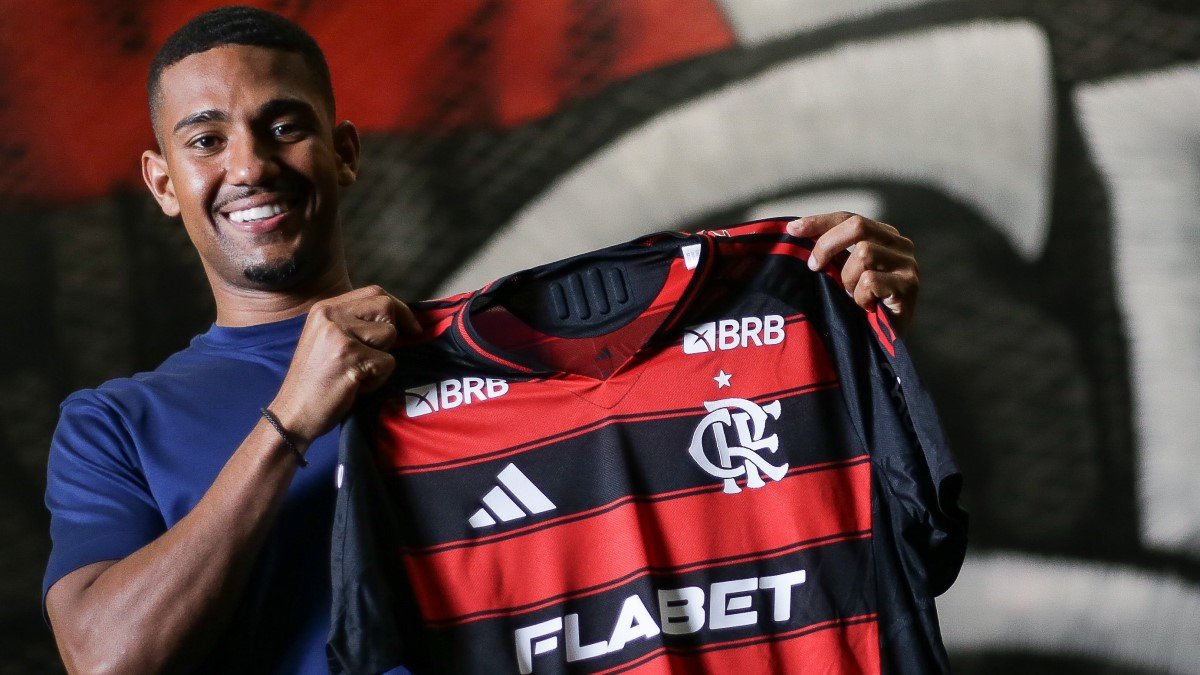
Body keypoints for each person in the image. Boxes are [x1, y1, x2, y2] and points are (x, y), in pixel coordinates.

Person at [42, 6, 922, 674]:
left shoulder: (505, 359)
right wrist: (290, 422)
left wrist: (851, 335)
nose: (249, 165)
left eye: (284, 126)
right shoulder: (114, 424)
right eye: (206, 139)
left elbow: (755, 506)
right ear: (164, 182)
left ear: (343, 152)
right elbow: (106, 657)